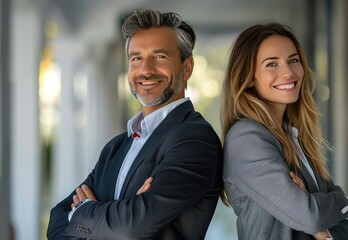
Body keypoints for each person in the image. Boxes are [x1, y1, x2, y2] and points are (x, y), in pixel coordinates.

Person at [47, 9, 223, 240]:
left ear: (187, 67)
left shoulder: (195, 139)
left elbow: (131, 228)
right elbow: (56, 224)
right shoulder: (116, 147)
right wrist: (123, 211)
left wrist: (83, 211)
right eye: (136, 58)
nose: (146, 70)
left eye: (160, 57)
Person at [221, 23, 348, 240]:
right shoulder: (247, 139)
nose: (288, 72)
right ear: (248, 77)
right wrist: (345, 202)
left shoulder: (292, 137)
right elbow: (311, 217)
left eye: (293, 60)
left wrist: (323, 221)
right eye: (272, 64)